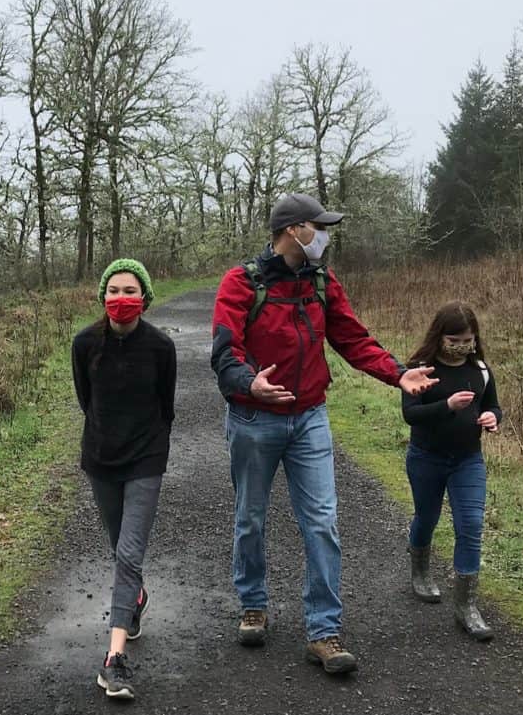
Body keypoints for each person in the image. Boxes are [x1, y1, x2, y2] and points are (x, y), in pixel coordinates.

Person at [211, 192, 437, 674]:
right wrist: (248, 382)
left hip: (309, 416)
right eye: (319, 226)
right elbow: (224, 349)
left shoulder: (321, 282)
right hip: (255, 419)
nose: (324, 236)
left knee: (322, 521)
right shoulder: (240, 282)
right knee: (250, 517)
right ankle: (253, 603)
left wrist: (397, 372)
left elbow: (352, 337)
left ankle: (324, 631)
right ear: (294, 231)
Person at [71, 258, 177, 700]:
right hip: (101, 458)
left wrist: (148, 446)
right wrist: (106, 438)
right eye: (113, 290)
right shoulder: (84, 344)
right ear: (102, 296)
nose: (121, 298)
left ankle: (113, 661)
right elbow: (85, 399)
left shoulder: (160, 347)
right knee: (119, 547)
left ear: (145, 298)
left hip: (146, 459)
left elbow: (165, 406)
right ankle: (133, 598)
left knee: (129, 554)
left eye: (130, 291)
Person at [402, 301, 500, 641]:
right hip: (425, 458)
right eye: (455, 340)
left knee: (470, 525)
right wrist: (446, 406)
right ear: (440, 336)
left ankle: (466, 605)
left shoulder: (481, 371)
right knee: (427, 518)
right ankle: (420, 571)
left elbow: (492, 406)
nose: (462, 346)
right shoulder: (420, 368)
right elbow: (411, 415)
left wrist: (492, 420)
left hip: (467, 460)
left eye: (468, 340)